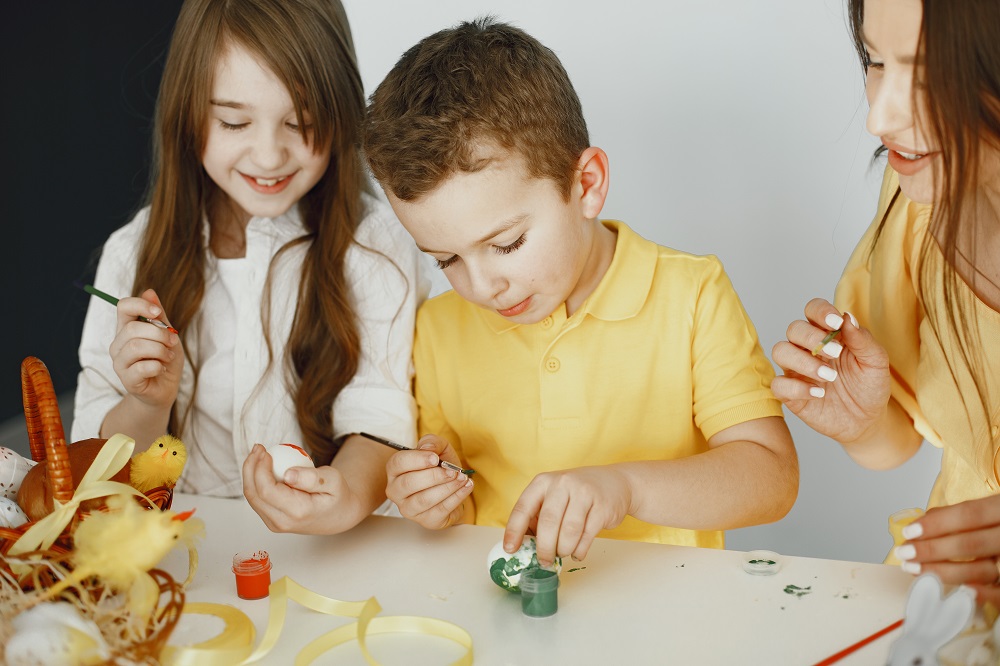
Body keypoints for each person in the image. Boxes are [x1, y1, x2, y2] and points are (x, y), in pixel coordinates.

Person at [361, 18, 798, 567]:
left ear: (586, 185)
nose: (481, 285)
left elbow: (772, 478)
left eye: (507, 243)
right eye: (446, 259)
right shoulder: (438, 329)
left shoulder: (691, 295)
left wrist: (626, 489)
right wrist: (436, 501)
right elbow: (466, 515)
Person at [73, 0, 427, 534]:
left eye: (300, 121)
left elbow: (380, 415)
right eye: (234, 121)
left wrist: (345, 497)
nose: (268, 155)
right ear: (188, 114)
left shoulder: (377, 245)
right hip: (186, 552)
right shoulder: (132, 254)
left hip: (336, 556)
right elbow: (96, 469)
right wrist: (148, 401)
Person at [771, 0, 1000, 605]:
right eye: (874, 61)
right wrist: (866, 422)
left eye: (928, 76)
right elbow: (906, 438)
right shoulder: (918, 205)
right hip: (945, 606)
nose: (879, 116)